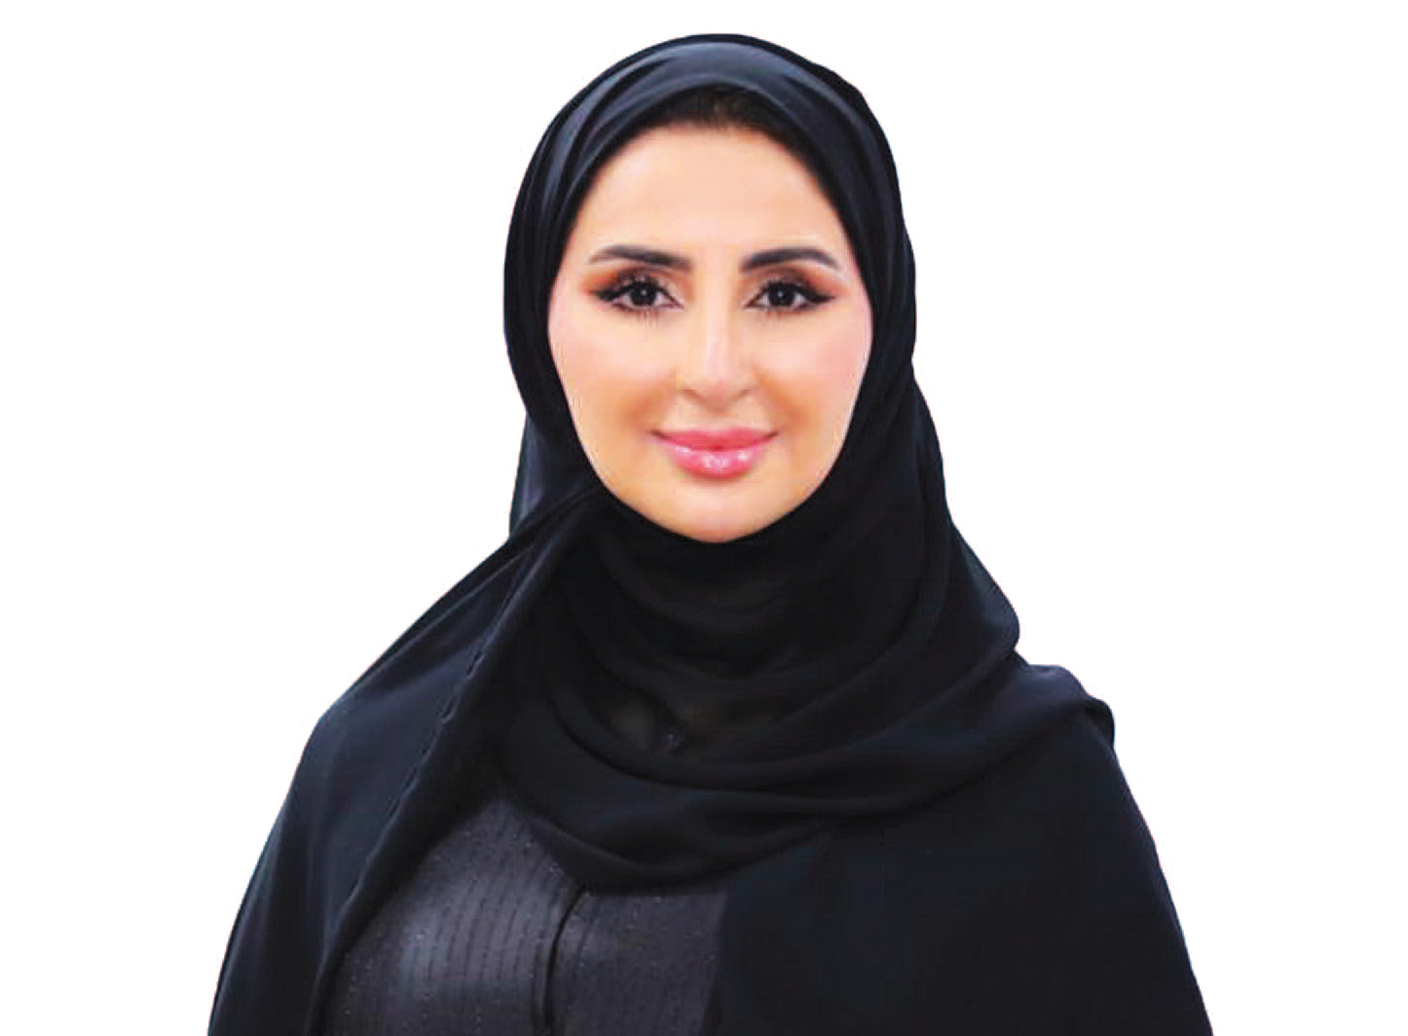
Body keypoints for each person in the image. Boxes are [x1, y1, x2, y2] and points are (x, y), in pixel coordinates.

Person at [210, 34, 1211, 1035]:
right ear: (535, 323)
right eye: (640, 292)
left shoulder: (1033, 797)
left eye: (785, 294)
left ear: (884, 323)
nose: (715, 369)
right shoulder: (387, 759)